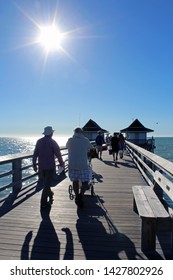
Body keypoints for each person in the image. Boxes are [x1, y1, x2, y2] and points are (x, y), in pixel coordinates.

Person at [33, 126, 64, 208]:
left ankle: (50, 194)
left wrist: (34, 164)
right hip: (50, 167)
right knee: (47, 184)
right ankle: (43, 203)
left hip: (41, 166)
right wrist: (61, 163)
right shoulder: (53, 142)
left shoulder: (39, 141)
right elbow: (58, 154)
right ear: (51, 133)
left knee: (46, 183)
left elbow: (35, 154)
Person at [66, 127, 93, 208]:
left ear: (74, 132)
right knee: (85, 181)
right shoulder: (85, 140)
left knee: (75, 181)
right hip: (82, 165)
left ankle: (77, 195)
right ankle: (81, 195)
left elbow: (67, 146)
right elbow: (91, 147)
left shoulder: (70, 140)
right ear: (82, 132)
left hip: (72, 164)